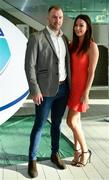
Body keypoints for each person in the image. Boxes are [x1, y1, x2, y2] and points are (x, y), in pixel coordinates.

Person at [25, 5, 70, 178]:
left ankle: (54, 153)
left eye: (59, 17)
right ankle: (32, 159)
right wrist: (34, 89)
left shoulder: (64, 39)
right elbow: (29, 66)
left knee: (57, 124)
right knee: (39, 125)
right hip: (44, 91)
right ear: (47, 18)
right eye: (54, 17)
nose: (57, 20)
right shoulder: (36, 37)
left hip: (63, 88)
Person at [67, 14, 99, 167]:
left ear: (87, 28)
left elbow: (91, 72)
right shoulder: (71, 44)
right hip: (71, 88)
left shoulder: (92, 46)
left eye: (82, 25)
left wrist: (86, 93)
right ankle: (76, 151)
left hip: (81, 89)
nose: (78, 28)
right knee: (76, 122)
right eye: (76, 25)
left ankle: (85, 152)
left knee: (70, 121)